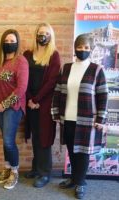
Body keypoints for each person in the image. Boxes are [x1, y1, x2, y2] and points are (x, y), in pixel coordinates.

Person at [51, 34, 108, 199]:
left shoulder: (97, 70)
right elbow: (57, 91)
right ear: (75, 48)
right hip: (67, 117)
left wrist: (101, 119)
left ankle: (81, 183)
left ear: (91, 50)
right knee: (71, 149)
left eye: (86, 48)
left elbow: (103, 95)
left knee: (82, 152)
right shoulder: (66, 68)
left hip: (87, 120)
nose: (83, 50)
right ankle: (74, 179)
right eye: (80, 47)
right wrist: (55, 113)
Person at [23, 22, 61, 188]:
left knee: (44, 138)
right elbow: (24, 79)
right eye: (40, 32)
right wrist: (30, 99)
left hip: (45, 103)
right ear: (36, 34)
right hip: (30, 102)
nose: (42, 35)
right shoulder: (27, 54)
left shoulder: (54, 55)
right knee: (35, 136)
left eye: (46, 33)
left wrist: (37, 99)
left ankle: (45, 173)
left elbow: (52, 81)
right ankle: (36, 168)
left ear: (50, 36)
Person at [0, 29, 29, 189]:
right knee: (5, 140)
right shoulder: (0, 61)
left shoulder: (21, 61)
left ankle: (14, 172)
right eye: (6, 41)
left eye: (12, 40)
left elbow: (21, 88)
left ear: (17, 42)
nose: (9, 43)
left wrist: (4, 105)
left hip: (13, 107)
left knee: (8, 141)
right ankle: (7, 168)